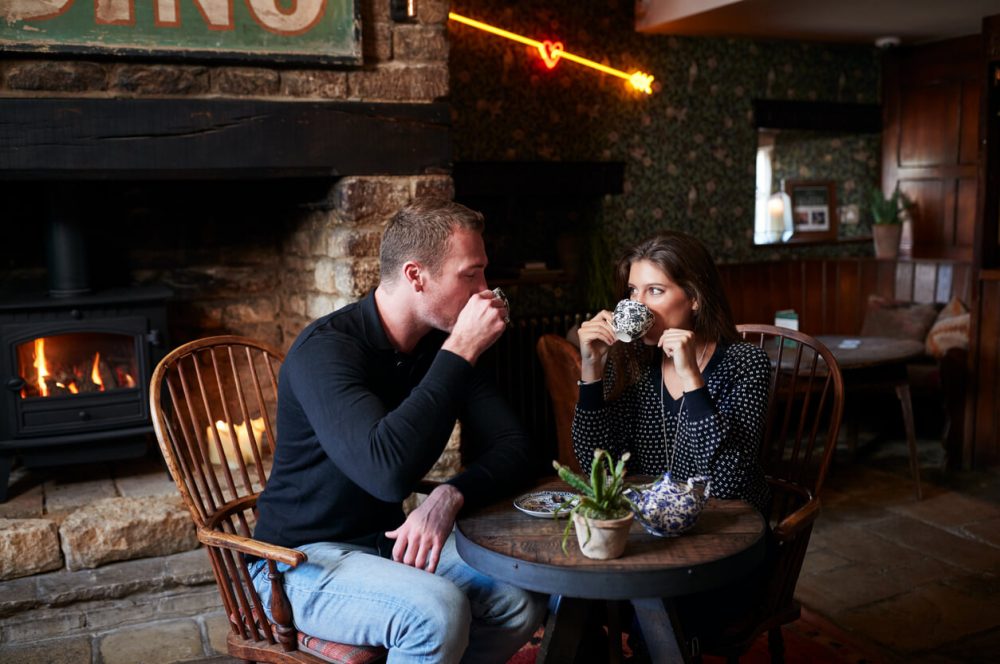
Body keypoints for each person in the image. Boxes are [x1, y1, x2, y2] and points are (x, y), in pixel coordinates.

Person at [250, 197, 546, 663]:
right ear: (415, 276)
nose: (486, 291)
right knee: (436, 612)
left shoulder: (439, 346)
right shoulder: (325, 351)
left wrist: (449, 496)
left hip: (385, 546)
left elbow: (516, 447)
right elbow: (385, 473)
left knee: (520, 596)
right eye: (470, 275)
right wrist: (462, 349)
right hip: (296, 562)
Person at [573, 230, 771, 514]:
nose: (636, 305)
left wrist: (692, 378)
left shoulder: (745, 363)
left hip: (727, 527)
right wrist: (591, 369)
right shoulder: (634, 360)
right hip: (652, 525)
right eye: (632, 290)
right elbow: (600, 465)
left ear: (695, 298)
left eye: (655, 290)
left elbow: (727, 485)